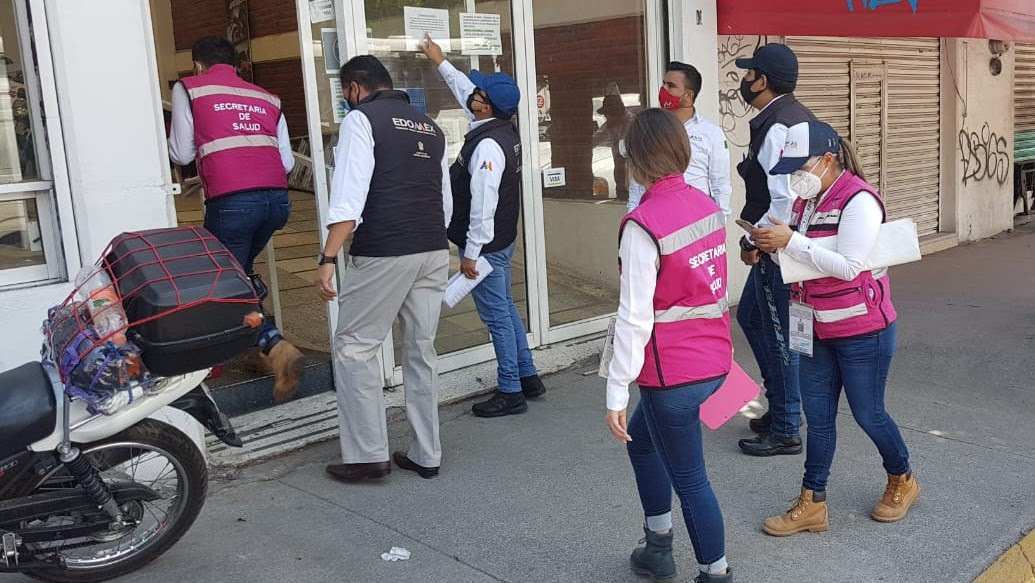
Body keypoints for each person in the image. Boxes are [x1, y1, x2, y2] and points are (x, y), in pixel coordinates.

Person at [751, 120, 918, 536]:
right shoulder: (805, 202)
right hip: (815, 326)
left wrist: (791, 242)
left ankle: (902, 477)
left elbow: (849, 266)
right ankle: (812, 502)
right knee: (819, 418)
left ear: (828, 159)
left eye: (800, 167)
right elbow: (799, 255)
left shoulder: (859, 200)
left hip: (862, 330)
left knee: (868, 414)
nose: (795, 177)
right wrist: (764, 245)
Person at [606, 109, 734, 583]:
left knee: (692, 481)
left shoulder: (643, 224)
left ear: (636, 160)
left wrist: (616, 391)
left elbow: (634, 316)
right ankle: (657, 545)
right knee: (643, 445)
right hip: (716, 360)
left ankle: (715, 573)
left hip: (671, 374)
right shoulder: (706, 206)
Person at [316, 55, 451, 483]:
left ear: (355, 88)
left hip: (386, 249)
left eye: (345, 94)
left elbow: (348, 197)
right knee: (421, 351)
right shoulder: (431, 128)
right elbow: (445, 202)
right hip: (433, 248)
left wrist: (327, 257)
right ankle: (427, 453)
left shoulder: (362, 121)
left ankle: (366, 456)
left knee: (355, 348)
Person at [168, 36, 305, 403]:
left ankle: (275, 347)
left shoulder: (190, 88)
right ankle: (256, 351)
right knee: (239, 271)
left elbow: (181, 153)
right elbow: (287, 162)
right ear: (236, 65)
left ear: (198, 65)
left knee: (224, 280)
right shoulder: (267, 97)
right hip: (276, 202)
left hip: (232, 202)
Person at [419, 35, 546, 418]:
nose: (472, 93)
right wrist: (439, 60)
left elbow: (482, 207)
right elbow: (464, 88)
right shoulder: (499, 126)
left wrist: (470, 255)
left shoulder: (488, 146)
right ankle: (528, 376)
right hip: (501, 240)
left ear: (485, 105)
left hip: (486, 246)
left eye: (479, 92)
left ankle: (510, 390)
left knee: (496, 317)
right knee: (505, 308)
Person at [732, 43, 817, 456]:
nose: (744, 80)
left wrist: (754, 240)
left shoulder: (778, 127)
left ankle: (785, 427)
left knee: (783, 337)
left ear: (763, 81)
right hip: (787, 245)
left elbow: (783, 200)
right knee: (752, 317)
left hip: (780, 248)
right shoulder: (793, 118)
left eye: (749, 74)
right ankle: (782, 406)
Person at [627, 61, 732, 220]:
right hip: (656, 216)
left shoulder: (711, 134)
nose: (663, 90)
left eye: (671, 86)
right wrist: (633, 217)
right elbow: (637, 184)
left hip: (695, 218)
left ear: (688, 95)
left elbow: (721, 184)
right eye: (663, 84)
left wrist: (719, 221)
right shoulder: (650, 130)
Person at [592, 93, 635, 201]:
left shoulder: (631, 124)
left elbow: (625, 150)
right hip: (620, 172)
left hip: (633, 174)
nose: (606, 117)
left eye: (607, 114)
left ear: (615, 113)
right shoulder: (611, 124)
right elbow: (596, 139)